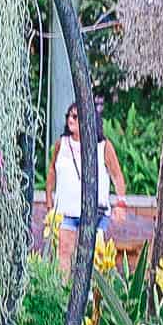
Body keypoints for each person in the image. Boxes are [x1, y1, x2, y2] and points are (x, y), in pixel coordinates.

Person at [46, 98, 129, 276]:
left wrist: (121, 203)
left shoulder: (103, 147)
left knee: (94, 257)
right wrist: (49, 202)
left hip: (95, 213)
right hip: (66, 213)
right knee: (64, 255)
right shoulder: (62, 144)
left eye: (75, 117)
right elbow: (52, 170)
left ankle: (92, 297)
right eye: (68, 116)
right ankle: (64, 295)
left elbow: (117, 175)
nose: (70, 120)